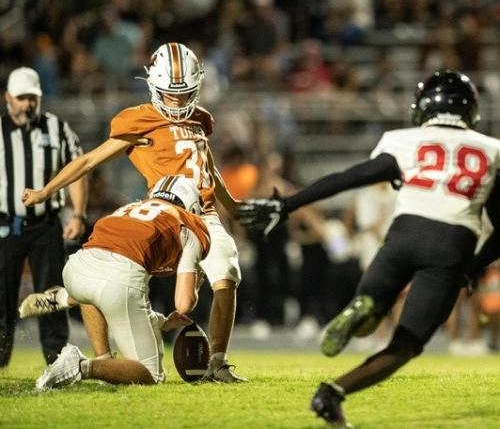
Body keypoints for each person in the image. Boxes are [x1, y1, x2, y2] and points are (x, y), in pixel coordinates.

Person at [236, 70, 500, 426]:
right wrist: (474, 267)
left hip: (404, 235)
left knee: (372, 303)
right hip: (452, 245)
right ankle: (332, 393)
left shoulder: (403, 140)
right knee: (405, 345)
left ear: (423, 107)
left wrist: (287, 205)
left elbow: (349, 177)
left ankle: (366, 304)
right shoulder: (492, 149)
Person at [21, 43, 245, 382]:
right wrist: (46, 191)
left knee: (226, 272)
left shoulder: (200, 119)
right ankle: (99, 354)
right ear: (154, 86)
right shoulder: (139, 120)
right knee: (123, 271)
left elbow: (207, 167)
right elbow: (88, 160)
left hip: (203, 213)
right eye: (170, 95)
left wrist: (233, 206)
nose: (178, 103)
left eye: (184, 94)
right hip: (169, 215)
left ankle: (217, 362)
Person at [21, 176, 210, 388]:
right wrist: (194, 287)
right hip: (115, 280)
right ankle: (81, 365)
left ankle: (68, 303)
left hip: (77, 268)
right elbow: (183, 304)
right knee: (150, 374)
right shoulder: (189, 223)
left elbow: (129, 289)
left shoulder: (129, 208)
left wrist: (163, 322)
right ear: (192, 206)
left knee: (97, 290)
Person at [0, 67, 87, 368]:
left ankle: (57, 359)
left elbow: (78, 170)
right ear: (8, 97)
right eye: (21, 97)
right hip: (5, 225)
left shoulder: (57, 128)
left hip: (46, 224)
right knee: (1, 297)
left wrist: (78, 214)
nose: (27, 104)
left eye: (32, 98)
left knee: (52, 296)